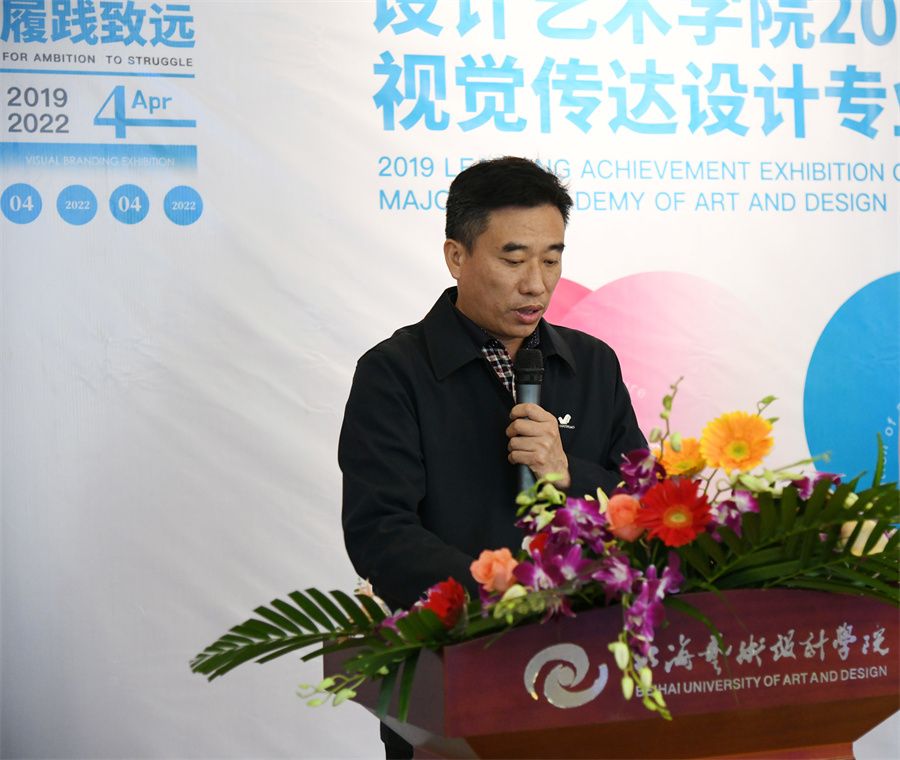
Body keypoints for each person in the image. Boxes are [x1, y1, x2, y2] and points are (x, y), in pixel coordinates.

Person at [338, 156, 645, 758]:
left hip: (595, 674)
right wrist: (498, 603)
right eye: (513, 259)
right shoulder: (394, 373)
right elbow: (380, 532)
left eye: (551, 259)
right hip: (455, 677)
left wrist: (568, 474)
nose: (536, 283)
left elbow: (643, 507)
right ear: (457, 257)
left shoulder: (593, 365)